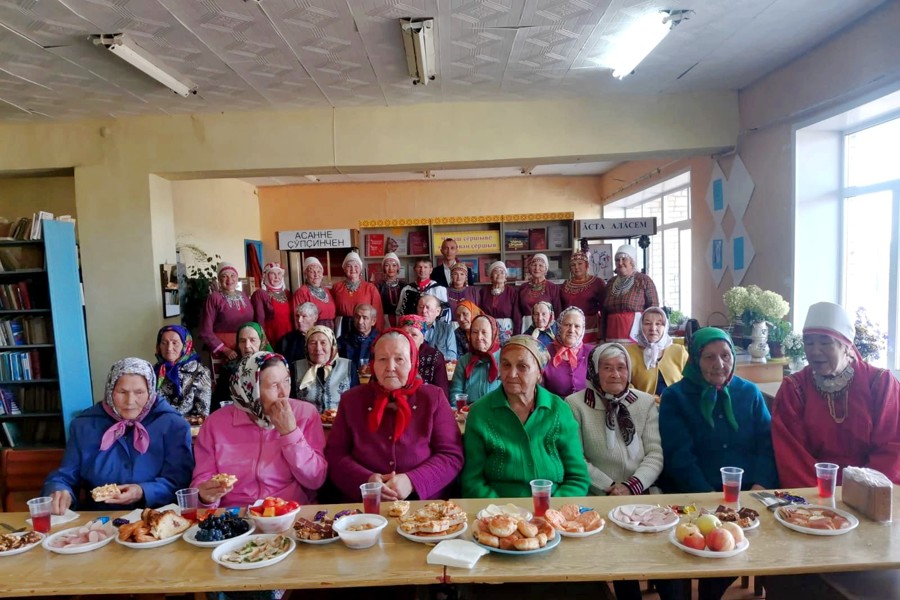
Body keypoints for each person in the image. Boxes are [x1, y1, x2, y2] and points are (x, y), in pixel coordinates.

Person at [324, 329, 464, 502]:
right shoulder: (351, 400)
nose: (390, 367)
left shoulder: (433, 398)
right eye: (382, 359)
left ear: (413, 362)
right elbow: (335, 454)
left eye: (399, 359)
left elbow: (451, 455)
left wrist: (413, 481)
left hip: (424, 506)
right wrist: (367, 482)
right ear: (373, 364)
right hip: (366, 505)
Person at [772, 301, 900, 486]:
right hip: (812, 494)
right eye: (809, 343)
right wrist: (820, 499)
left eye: (825, 342)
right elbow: (791, 454)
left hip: (872, 492)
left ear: (846, 346)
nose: (815, 351)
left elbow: (893, 448)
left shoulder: (881, 384)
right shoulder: (794, 389)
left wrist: (864, 490)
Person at [43, 358, 194, 513]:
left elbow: (180, 482)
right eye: (122, 392)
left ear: (151, 392)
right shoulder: (85, 425)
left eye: (139, 392)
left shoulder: (173, 425)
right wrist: (60, 489)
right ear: (110, 391)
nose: (130, 401)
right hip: (100, 518)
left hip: (158, 516)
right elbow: (66, 475)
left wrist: (142, 491)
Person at [461, 335, 590, 498]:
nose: (512, 374)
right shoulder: (480, 412)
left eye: (522, 366)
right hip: (498, 513)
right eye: (506, 365)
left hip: (552, 509)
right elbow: (472, 480)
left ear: (539, 373)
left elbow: (578, 478)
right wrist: (500, 514)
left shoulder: (559, 411)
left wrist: (551, 512)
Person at [192, 352, 327, 507]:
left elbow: (315, 480)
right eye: (274, 385)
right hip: (236, 515)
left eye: (287, 381)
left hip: (290, 511)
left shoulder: (305, 414)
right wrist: (205, 497)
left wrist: (290, 433)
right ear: (251, 390)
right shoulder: (215, 423)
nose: (284, 392)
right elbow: (202, 479)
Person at [659, 327, 778, 493]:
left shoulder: (750, 393)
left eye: (725, 355)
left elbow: (767, 445)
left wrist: (760, 486)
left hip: (750, 492)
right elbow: (679, 456)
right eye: (709, 357)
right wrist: (708, 495)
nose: (719, 364)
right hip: (695, 495)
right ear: (695, 359)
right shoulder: (675, 397)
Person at [566, 343, 663, 496]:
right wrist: (609, 487)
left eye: (621, 367)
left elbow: (655, 454)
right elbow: (576, 457)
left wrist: (632, 486)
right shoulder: (575, 405)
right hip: (597, 493)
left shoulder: (645, 402)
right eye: (607, 368)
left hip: (641, 491)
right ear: (594, 372)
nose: (615, 375)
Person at [626, 307, 688, 399]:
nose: (653, 328)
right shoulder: (629, 352)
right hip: (643, 407)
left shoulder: (679, 351)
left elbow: (691, 381)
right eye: (647, 323)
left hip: (676, 405)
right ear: (640, 326)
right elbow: (624, 384)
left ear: (665, 327)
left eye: (658, 324)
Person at [602, 244, 659, 342]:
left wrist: (652, 335)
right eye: (617, 260)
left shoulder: (643, 280)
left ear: (632, 261)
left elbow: (654, 310)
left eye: (624, 259)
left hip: (635, 335)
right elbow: (604, 312)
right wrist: (602, 337)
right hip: (611, 334)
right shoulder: (610, 283)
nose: (620, 263)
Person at [210, 322, 272, 412]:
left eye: (252, 340)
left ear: (261, 342)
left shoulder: (272, 367)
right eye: (242, 341)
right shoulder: (229, 369)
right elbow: (219, 401)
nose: (247, 346)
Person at [198, 262, 254, 360]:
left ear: (237, 277)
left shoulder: (244, 295)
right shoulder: (214, 298)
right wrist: (224, 349)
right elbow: (205, 331)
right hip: (224, 349)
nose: (229, 279)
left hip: (245, 346)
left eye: (233, 275)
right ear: (219, 279)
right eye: (224, 276)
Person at [153, 325, 211, 418]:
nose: (169, 348)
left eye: (175, 343)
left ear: (185, 345)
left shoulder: (200, 373)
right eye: (164, 343)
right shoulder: (152, 372)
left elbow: (202, 414)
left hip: (187, 428)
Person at [292, 325, 352, 413]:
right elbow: (291, 402)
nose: (318, 348)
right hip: (306, 423)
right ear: (306, 346)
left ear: (332, 345)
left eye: (323, 343)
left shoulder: (348, 366)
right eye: (313, 343)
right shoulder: (295, 367)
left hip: (340, 423)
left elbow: (356, 401)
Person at [450, 314, 502, 405]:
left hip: (497, 412)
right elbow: (456, 393)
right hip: (468, 414)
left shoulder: (504, 359)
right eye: (475, 332)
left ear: (493, 334)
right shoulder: (464, 361)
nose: (479, 337)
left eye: (484, 332)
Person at [542, 307, 594, 399]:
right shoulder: (545, 352)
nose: (571, 330)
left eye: (577, 326)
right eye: (567, 325)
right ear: (559, 326)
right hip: (556, 409)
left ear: (583, 329)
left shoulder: (592, 353)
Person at [331, 251, 384, 335]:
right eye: (349, 266)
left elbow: (378, 314)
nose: (353, 269)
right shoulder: (336, 287)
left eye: (356, 266)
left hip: (363, 326)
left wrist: (378, 333)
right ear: (344, 269)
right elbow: (332, 312)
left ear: (360, 269)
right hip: (342, 328)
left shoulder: (370, 288)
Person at [399, 314, 450, 398]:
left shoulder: (435, 356)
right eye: (405, 334)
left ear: (423, 338)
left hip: (426, 403)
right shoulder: (392, 354)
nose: (409, 338)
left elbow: (442, 393)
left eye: (414, 335)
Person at [561, 251, 606, 343]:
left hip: (591, 327)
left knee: (590, 354)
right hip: (570, 327)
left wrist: (603, 333)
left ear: (586, 265)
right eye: (573, 265)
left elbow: (604, 309)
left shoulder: (597, 283)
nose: (576, 267)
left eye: (580, 264)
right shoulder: (565, 285)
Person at [250, 262, 293, 347]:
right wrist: (262, 339)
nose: (277, 277)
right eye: (273, 273)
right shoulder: (260, 294)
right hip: (271, 338)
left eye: (279, 273)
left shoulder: (288, 293)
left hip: (289, 337)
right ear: (266, 276)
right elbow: (259, 320)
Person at [517, 253, 561, 332]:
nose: (537, 268)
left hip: (547, 327)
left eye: (541, 265)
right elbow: (517, 312)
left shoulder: (553, 288)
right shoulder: (523, 288)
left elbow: (557, 311)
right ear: (530, 268)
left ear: (546, 269)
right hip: (526, 326)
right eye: (534, 265)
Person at [338, 303, 379, 387]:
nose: (360, 322)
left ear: (373, 321)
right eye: (357, 317)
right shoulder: (343, 340)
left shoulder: (380, 341)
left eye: (365, 318)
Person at [479, 261, 520, 343]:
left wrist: (516, 336)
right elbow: (480, 313)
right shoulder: (483, 291)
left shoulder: (512, 292)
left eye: (502, 272)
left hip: (508, 332)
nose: (499, 275)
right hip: (488, 330)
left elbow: (517, 316)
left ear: (505, 277)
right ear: (491, 277)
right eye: (495, 272)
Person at [291, 256, 336, 330]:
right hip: (313, 331)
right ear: (306, 274)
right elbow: (297, 318)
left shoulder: (327, 290)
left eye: (318, 271)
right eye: (312, 272)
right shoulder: (301, 292)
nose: (316, 275)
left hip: (330, 330)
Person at [418, 294, 458, 361]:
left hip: (440, 368)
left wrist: (433, 359)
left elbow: (452, 357)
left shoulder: (447, 329)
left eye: (428, 307)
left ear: (438, 311)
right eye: (421, 307)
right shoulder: (411, 329)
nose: (424, 311)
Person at [377, 252, 406, 328]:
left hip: (402, 320)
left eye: (394, 265)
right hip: (384, 320)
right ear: (383, 268)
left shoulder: (405, 286)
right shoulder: (378, 286)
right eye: (387, 265)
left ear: (398, 267)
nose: (391, 268)